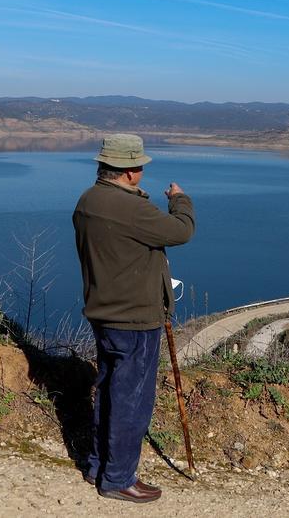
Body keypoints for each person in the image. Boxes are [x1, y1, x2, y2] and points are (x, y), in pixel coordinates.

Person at [72, 134, 195, 503]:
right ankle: (118, 478)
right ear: (127, 172)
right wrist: (180, 199)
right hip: (134, 320)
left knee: (109, 393)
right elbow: (181, 232)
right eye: (139, 165)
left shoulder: (89, 200)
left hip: (105, 313)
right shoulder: (129, 207)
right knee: (131, 401)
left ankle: (98, 465)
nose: (141, 171)